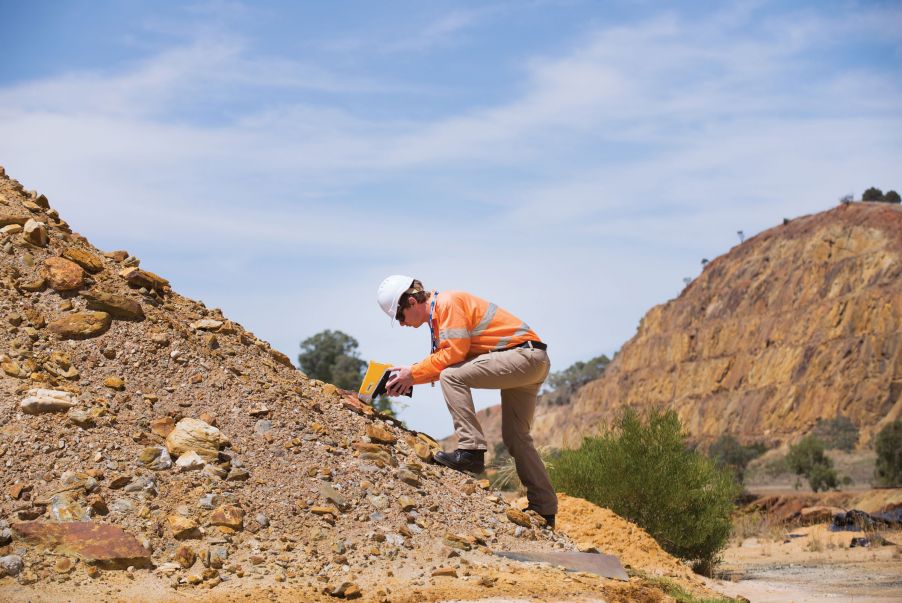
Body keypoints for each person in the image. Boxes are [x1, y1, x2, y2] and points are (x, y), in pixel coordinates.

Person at [376, 275, 558, 527]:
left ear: (410, 301)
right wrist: (410, 377)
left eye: (399, 317)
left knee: (451, 375)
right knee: (516, 437)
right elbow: (449, 355)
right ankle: (544, 510)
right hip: (530, 359)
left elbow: (454, 354)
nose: (402, 324)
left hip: (523, 357)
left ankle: (471, 450)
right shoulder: (439, 315)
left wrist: (413, 373)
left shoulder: (447, 303)